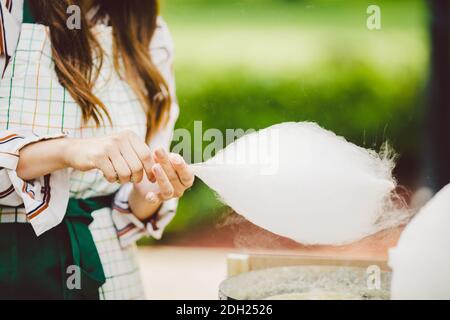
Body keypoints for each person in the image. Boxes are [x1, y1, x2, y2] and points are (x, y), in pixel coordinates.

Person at [0, 0, 194, 299]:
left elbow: (136, 198)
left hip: (111, 270)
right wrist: (68, 151)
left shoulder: (147, 29)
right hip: (12, 259)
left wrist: (149, 193)